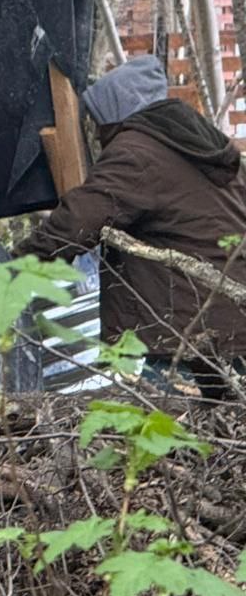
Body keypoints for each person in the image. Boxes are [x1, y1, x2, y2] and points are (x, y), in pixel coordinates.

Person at [17, 55, 246, 398]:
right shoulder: (197, 144)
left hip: (183, 324)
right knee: (224, 423)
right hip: (226, 311)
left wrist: (14, 267)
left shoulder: (136, 151)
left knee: (163, 423)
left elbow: (79, 221)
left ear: (113, 113)